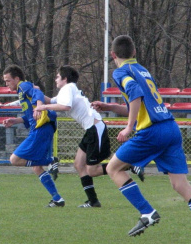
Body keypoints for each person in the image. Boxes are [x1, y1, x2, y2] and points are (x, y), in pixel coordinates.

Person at [91, 35, 191, 244]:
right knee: (179, 184)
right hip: (170, 128)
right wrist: (112, 108)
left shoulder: (120, 71)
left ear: (113, 55)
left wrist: (128, 127)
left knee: (113, 168)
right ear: (134, 52)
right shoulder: (142, 70)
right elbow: (141, 103)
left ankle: (147, 212)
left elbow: (135, 95)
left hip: (152, 132)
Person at [35, 66, 144, 208]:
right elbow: (51, 101)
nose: (55, 79)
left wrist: (42, 107)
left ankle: (129, 165)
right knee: (79, 165)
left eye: (57, 76)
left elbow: (65, 107)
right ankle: (93, 201)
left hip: (95, 128)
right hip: (91, 129)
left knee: (92, 170)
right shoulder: (68, 89)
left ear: (65, 79)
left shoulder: (67, 88)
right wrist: (35, 92)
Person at [2, 65, 65, 207]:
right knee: (36, 167)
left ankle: (49, 161)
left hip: (40, 129)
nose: (6, 84)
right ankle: (57, 199)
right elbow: (29, 116)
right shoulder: (21, 92)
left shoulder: (23, 85)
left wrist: (39, 107)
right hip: (42, 128)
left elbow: (38, 94)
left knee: (14, 159)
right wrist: (15, 121)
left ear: (17, 78)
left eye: (8, 80)